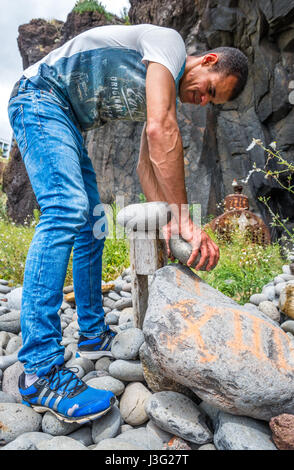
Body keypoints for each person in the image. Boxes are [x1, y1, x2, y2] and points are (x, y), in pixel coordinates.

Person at [7, 24, 248, 423]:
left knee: (89, 222)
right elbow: (160, 130)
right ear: (208, 61)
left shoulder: (162, 93)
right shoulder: (169, 45)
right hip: (40, 97)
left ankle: (91, 335)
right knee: (66, 209)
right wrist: (187, 217)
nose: (203, 100)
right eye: (210, 89)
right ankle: (39, 371)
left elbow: (146, 164)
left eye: (211, 102)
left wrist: (170, 223)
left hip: (64, 117)